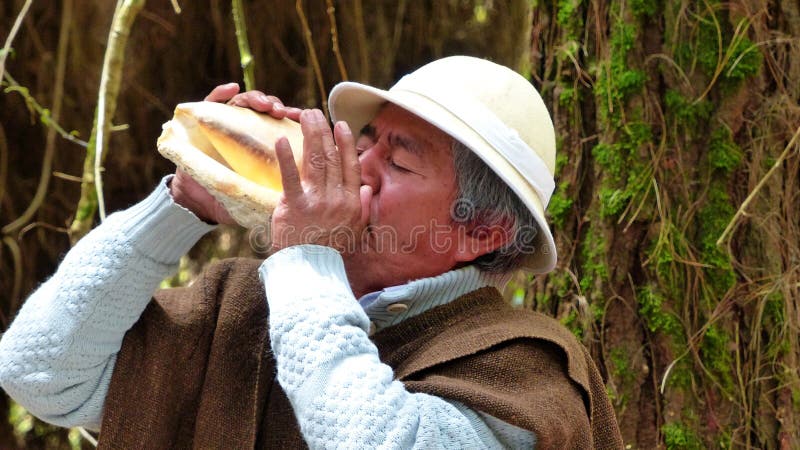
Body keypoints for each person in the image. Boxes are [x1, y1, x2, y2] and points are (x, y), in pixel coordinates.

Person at [0, 56, 622, 449]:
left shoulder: (524, 369)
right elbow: (37, 372)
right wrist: (185, 202)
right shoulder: (245, 306)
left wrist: (306, 261)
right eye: (366, 141)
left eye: (400, 161)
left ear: (481, 232)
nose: (354, 167)